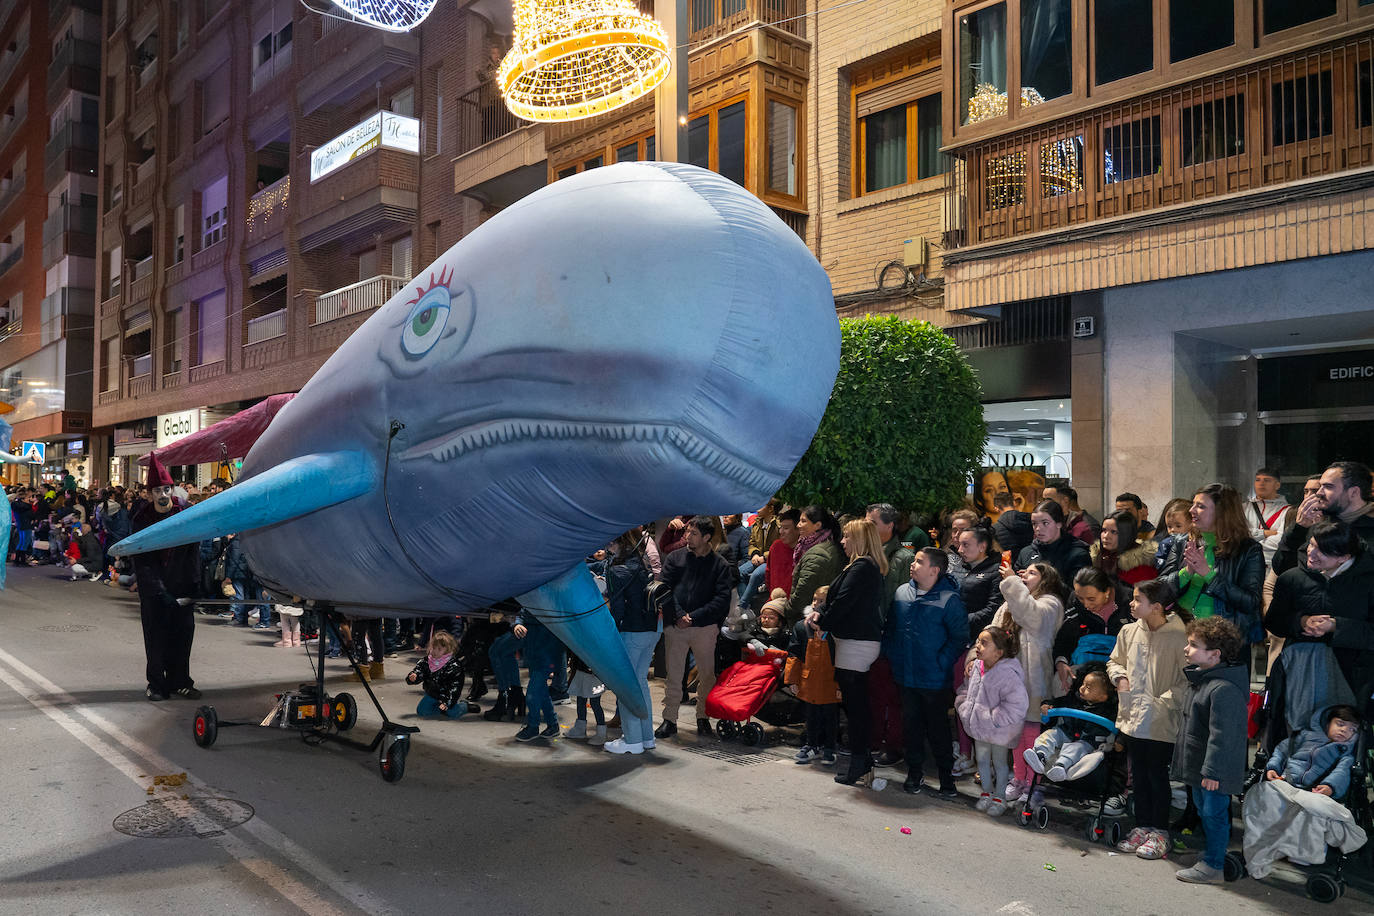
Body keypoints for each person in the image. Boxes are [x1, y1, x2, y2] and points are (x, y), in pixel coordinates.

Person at [1108, 578, 1189, 860]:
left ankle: (1160, 831)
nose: (1131, 603)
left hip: (1161, 721)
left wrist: (1163, 702)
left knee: (1157, 776)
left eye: (1137, 600)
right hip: (1132, 716)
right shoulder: (1129, 632)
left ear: (1155, 607)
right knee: (1138, 775)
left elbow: (1188, 679)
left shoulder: (1180, 636)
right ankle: (1141, 826)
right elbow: (1115, 661)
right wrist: (1119, 677)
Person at [1264, 519, 1374, 717]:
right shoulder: (1292, 578)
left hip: (1351, 677)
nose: (1311, 553)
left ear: (1344, 557)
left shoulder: (1367, 582)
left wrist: (1336, 626)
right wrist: (1301, 621)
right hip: (1300, 672)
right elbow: (1273, 621)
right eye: (1312, 544)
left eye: (1322, 550)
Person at [884, 547, 966, 797]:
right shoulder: (901, 593)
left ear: (935, 570)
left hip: (934, 679)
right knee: (911, 727)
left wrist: (941, 662)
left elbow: (959, 638)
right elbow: (891, 629)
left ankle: (946, 779)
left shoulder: (949, 599)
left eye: (919, 561)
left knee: (938, 730)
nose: (913, 564)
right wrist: (894, 656)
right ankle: (914, 773)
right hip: (906, 676)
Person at [1173, 617, 1249, 884]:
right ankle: (1209, 856)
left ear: (1215, 655)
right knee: (1206, 813)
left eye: (1194, 645)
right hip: (1202, 768)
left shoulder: (1223, 689)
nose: (1186, 649)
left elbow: (1223, 737)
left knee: (1214, 815)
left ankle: (1214, 865)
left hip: (1213, 772)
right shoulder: (1204, 681)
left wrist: (1213, 771)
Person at [815, 518, 888, 786]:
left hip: (856, 644)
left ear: (858, 539)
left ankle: (860, 761)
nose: (842, 542)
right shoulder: (864, 567)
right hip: (854, 642)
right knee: (855, 705)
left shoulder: (862, 567)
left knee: (856, 707)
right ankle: (861, 761)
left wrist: (821, 620)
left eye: (846, 537)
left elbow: (842, 602)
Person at [655, 515, 734, 739]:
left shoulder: (719, 564)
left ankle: (703, 718)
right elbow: (663, 588)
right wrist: (680, 615)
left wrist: (694, 617)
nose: (687, 537)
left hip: (705, 627)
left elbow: (722, 599)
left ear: (707, 537)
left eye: (694, 533)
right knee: (673, 676)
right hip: (676, 626)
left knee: (707, 676)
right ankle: (669, 719)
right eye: (687, 532)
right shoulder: (675, 557)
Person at [130, 457, 201, 701]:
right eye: (158, 490)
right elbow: (142, 560)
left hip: (182, 586)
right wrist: (159, 592)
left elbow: (193, 552)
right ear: (150, 493)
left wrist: (193, 587)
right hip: (155, 592)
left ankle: (180, 681)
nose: (163, 494)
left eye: (166, 489)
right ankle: (157, 684)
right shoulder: (141, 519)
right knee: (156, 638)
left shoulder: (186, 513)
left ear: (173, 489)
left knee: (182, 638)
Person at [1160, 483, 1265, 647]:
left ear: (1222, 513)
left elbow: (1250, 602)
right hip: (1178, 633)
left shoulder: (1248, 549)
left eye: (1200, 506)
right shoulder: (1182, 542)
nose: (1191, 510)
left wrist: (1208, 574)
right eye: (1193, 504)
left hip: (1222, 640)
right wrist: (1187, 572)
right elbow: (1159, 590)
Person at [996, 560, 1066, 802]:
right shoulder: (1012, 601)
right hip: (1011, 676)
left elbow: (1031, 617)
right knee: (1014, 731)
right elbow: (993, 631)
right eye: (1024, 571)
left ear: (1046, 579)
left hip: (1035, 678)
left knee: (1031, 731)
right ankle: (1018, 777)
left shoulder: (1051, 604)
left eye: (1032, 572)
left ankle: (1032, 782)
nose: (1024, 574)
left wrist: (1013, 581)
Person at [955, 625, 1028, 817]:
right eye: (978, 641)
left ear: (999, 652)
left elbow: (1017, 704)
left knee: (1000, 763)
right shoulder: (977, 667)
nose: (978, 646)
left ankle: (1000, 797)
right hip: (979, 727)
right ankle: (986, 793)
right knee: (982, 760)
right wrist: (964, 707)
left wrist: (992, 718)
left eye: (984, 643)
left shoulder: (1008, 674)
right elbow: (966, 688)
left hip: (999, 730)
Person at [866, 502, 917, 768]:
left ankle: (894, 745)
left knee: (892, 696)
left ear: (889, 526)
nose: (868, 528)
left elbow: (902, 602)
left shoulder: (903, 557)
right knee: (874, 692)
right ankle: (874, 739)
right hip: (870, 633)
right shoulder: (869, 554)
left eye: (873, 523)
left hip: (891, 636)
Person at [603, 531, 658, 755]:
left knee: (627, 685)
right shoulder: (643, 565)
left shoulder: (616, 570)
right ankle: (646, 737)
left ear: (617, 543)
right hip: (651, 629)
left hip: (631, 631)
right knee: (641, 683)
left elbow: (617, 609)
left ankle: (633, 739)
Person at [1274, 461, 1374, 575]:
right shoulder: (1319, 523)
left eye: (1328, 487)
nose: (1319, 493)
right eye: (1320, 486)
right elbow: (1283, 568)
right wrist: (1299, 529)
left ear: (1353, 492)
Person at [1024, 669, 1118, 783]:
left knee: (1076, 747)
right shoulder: (1074, 699)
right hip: (1067, 731)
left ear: (1103, 697)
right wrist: (1047, 705)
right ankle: (1040, 754)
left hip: (1089, 740)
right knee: (1050, 734)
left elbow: (1118, 725)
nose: (1082, 688)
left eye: (1088, 687)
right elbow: (1057, 702)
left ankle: (1061, 765)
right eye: (1083, 684)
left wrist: (1120, 740)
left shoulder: (1108, 710)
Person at [1052, 567, 1132, 694]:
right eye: (1080, 598)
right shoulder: (1075, 602)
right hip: (1085, 665)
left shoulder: (1130, 601)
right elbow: (1065, 636)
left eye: (1091, 599)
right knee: (1060, 682)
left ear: (1107, 592)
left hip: (1121, 667)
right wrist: (1061, 662)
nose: (1086, 605)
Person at [789, 584, 839, 766]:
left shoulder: (836, 629)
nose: (817, 604)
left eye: (822, 601)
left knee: (830, 716)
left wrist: (841, 684)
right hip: (808, 679)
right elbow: (794, 653)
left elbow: (841, 658)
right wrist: (792, 679)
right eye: (815, 600)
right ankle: (811, 744)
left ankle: (830, 747)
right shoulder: (801, 627)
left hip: (830, 680)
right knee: (811, 715)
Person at [1264, 704, 1360, 798]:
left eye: (1352, 729)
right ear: (1327, 724)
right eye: (1340, 724)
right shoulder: (1306, 736)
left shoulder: (1345, 754)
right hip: (1284, 782)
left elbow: (1342, 772)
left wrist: (1330, 786)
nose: (1344, 730)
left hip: (1314, 793)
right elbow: (1281, 750)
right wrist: (1273, 768)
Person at [783, 506, 843, 627]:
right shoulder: (812, 545)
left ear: (817, 525)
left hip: (810, 618)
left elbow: (803, 591)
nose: (798, 525)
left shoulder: (817, 553)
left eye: (803, 521)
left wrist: (787, 610)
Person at [512, 611, 563, 742]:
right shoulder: (534, 598)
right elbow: (522, 613)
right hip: (533, 654)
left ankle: (533, 726)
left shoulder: (553, 602)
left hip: (547, 655)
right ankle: (553, 725)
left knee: (532, 694)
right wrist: (517, 624)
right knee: (541, 692)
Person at [1015, 499, 1091, 585]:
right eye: (1034, 523)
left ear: (1059, 523)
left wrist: (1041, 579)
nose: (1038, 529)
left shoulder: (1078, 555)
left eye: (1045, 523)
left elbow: (1077, 594)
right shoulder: (1026, 553)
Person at [406, 630, 475, 719]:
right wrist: (414, 676)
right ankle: (440, 709)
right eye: (434, 648)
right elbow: (419, 670)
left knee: (453, 713)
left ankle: (464, 706)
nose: (435, 651)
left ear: (448, 649)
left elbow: (455, 687)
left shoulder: (454, 666)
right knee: (422, 711)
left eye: (439, 649)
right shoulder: (426, 661)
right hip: (432, 693)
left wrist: (447, 702)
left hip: (447, 695)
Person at [958, 526, 1004, 639]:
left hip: (980, 635)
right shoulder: (960, 567)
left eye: (965, 545)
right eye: (959, 545)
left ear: (982, 546)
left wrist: (961, 620)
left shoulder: (997, 571)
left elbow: (993, 608)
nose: (960, 550)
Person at [1091, 509, 1157, 588]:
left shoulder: (1142, 568)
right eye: (1104, 530)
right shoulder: (1098, 557)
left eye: (1114, 532)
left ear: (1126, 534)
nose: (1106, 536)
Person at [1246, 467, 1290, 569]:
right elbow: (1237, 534)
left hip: (1272, 566)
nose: (1261, 483)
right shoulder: (1243, 508)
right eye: (1258, 480)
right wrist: (1264, 533)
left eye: (1267, 480)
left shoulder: (1287, 511)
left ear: (1277, 485)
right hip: (1246, 565)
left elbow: (1280, 541)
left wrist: (1247, 543)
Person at [563, 652, 607, 745]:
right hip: (580, 670)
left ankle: (601, 733)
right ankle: (580, 729)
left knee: (595, 703)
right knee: (580, 700)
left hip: (595, 674)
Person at [765, 507, 800, 598]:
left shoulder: (805, 551)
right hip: (775, 601)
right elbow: (768, 575)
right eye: (781, 527)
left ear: (798, 529)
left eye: (786, 528)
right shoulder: (776, 546)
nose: (781, 532)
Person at [991, 490, 1032, 556]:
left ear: (996, 508)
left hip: (1007, 565)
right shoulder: (1031, 520)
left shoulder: (994, 529)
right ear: (1014, 503)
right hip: (1031, 563)